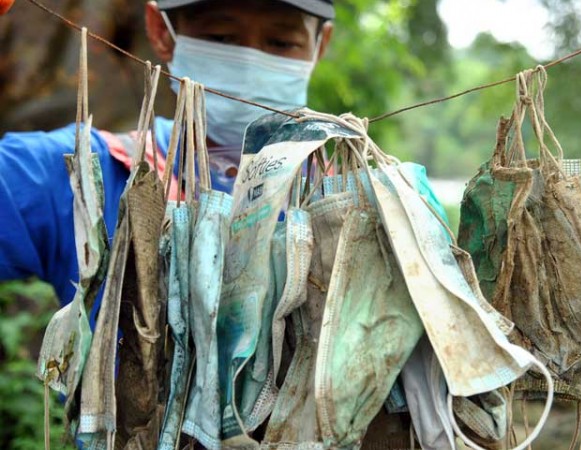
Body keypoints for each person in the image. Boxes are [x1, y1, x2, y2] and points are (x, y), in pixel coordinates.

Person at [0, 0, 334, 312]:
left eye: (280, 42)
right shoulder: (89, 176)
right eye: (220, 36)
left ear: (320, 45)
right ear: (161, 31)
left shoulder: (347, 205)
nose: (250, 62)